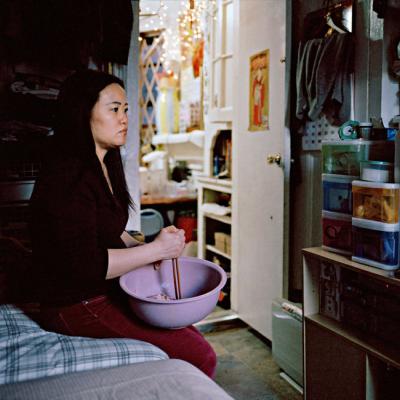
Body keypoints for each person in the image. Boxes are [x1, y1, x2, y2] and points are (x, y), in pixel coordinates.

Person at [30, 69, 217, 378]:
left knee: (190, 334)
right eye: (114, 109)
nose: (124, 119)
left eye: (126, 110)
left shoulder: (105, 161)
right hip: (75, 303)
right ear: (83, 112)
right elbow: (85, 265)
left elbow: (107, 227)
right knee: (201, 356)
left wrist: (146, 245)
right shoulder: (67, 175)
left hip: (102, 290)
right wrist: (154, 251)